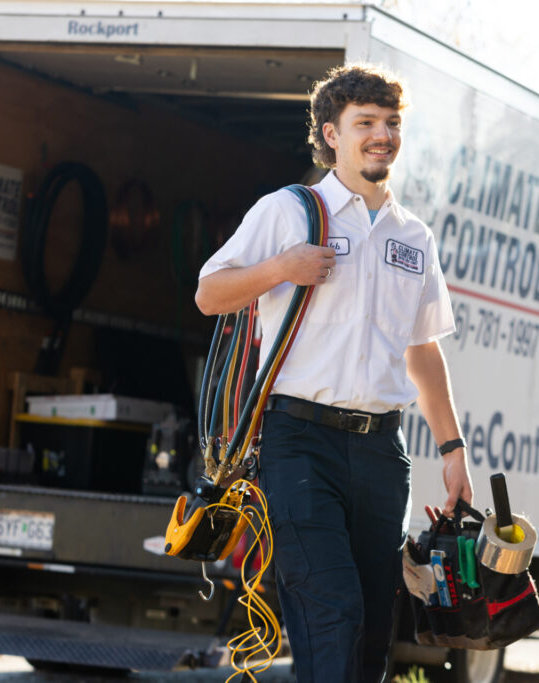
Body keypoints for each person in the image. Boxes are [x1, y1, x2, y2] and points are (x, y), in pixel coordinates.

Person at [195, 63, 472, 682]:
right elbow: (210, 294)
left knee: (373, 631)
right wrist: (282, 268)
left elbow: (423, 350)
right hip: (298, 443)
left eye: (392, 123)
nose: (383, 135)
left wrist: (453, 449)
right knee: (334, 613)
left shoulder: (413, 236)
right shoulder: (290, 211)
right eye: (366, 123)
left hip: (381, 453)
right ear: (331, 134)